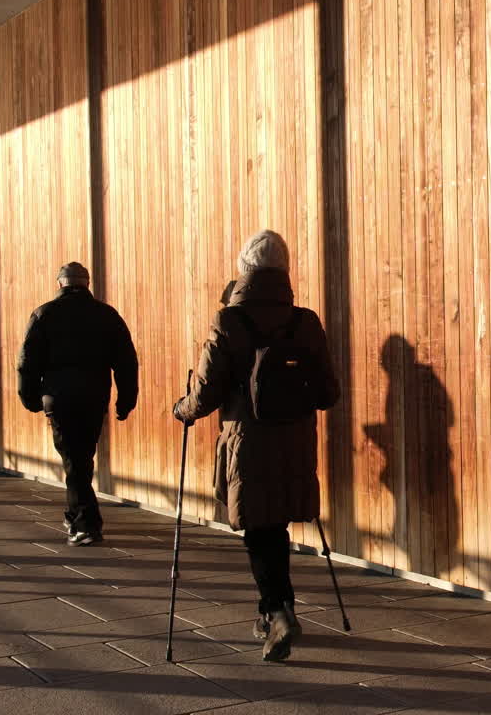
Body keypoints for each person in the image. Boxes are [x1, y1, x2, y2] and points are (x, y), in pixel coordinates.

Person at [172, 230, 340, 662]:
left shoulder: (229, 320)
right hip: (295, 441)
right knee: (274, 527)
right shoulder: (305, 322)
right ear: (285, 269)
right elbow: (328, 394)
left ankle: (277, 612)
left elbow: (206, 393)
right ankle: (277, 610)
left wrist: (182, 409)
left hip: (248, 442)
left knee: (259, 530)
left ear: (244, 268)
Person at [18, 262, 138, 547]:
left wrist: (30, 398)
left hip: (58, 400)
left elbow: (27, 363)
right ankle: (76, 515)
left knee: (75, 461)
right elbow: (126, 362)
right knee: (80, 458)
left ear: (60, 284)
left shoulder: (44, 314)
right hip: (94, 398)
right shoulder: (107, 315)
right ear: (87, 284)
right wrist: (126, 401)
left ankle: (86, 525)